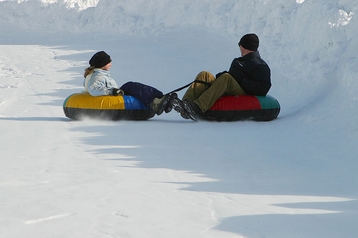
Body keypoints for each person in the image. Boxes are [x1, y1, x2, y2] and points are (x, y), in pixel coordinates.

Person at [178, 33, 271, 120]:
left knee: (226, 78)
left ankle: (198, 107)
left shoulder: (260, 66)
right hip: (229, 85)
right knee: (205, 75)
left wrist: (241, 80)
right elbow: (231, 76)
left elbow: (263, 88)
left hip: (245, 93)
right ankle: (184, 105)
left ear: (243, 46)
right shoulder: (238, 61)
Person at [83, 51, 179, 116]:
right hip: (112, 97)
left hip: (115, 94)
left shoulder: (98, 74)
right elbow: (93, 89)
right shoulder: (97, 76)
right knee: (131, 86)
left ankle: (160, 98)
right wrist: (111, 91)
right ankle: (156, 102)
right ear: (102, 65)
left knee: (133, 86)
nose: (111, 64)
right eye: (109, 62)